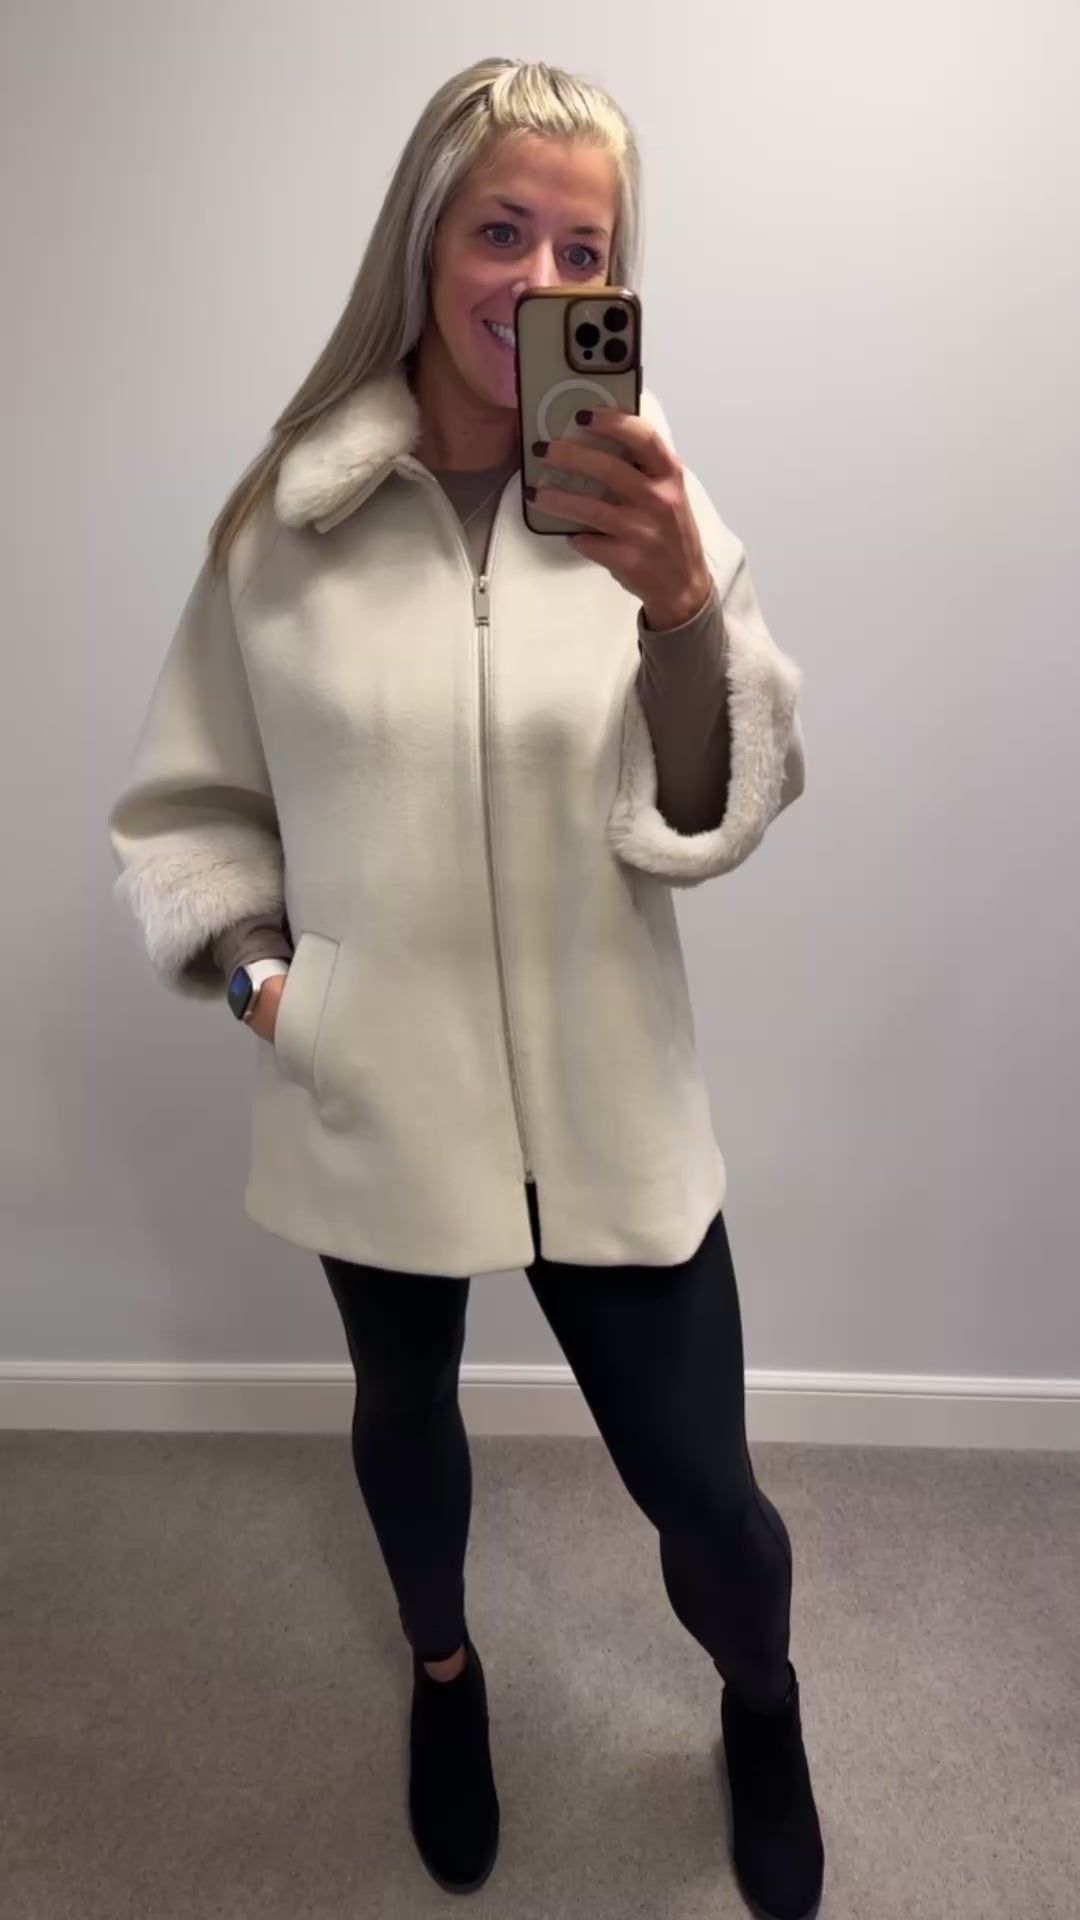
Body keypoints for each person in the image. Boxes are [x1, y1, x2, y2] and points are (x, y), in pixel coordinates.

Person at [107, 56, 823, 1920]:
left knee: (711, 1495)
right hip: (379, 1081)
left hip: (610, 1082)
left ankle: (761, 1699)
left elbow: (711, 805)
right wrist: (274, 992)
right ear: (424, 242)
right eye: (503, 228)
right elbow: (192, 807)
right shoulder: (290, 525)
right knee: (406, 1433)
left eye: (585, 246)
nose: (538, 277)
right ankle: (445, 1679)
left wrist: (679, 612)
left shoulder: (653, 500)